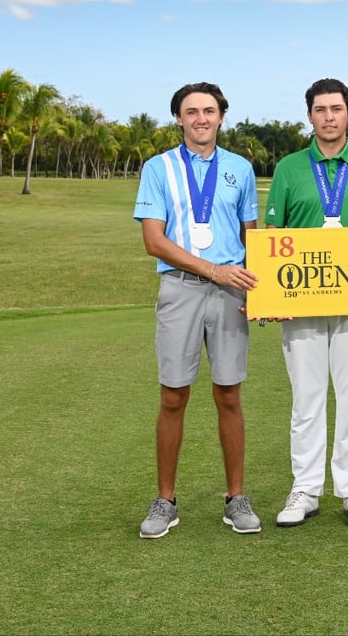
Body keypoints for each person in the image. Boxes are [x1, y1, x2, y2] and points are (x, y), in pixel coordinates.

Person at [133, 82, 261, 539]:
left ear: (222, 116)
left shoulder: (240, 168)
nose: (201, 119)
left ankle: (236, 498)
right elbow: (154, 240)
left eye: (209, 111)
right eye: (192, 112)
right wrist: (213, 269)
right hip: (181, 287)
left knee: (229, 393)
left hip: (231, 293)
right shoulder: (158, 168)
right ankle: (165, 500)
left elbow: (253, 239)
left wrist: (258, 291)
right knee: (173, 395)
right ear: (179, 119)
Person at [265, 78, 348, 529]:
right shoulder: (288, 168)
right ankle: (305, 488)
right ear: (310, 116)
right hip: (300, 301)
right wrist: (271, 296)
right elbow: (272, 240)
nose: (329, 116)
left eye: (336, 108)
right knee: (307, 396)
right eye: (320, 109)